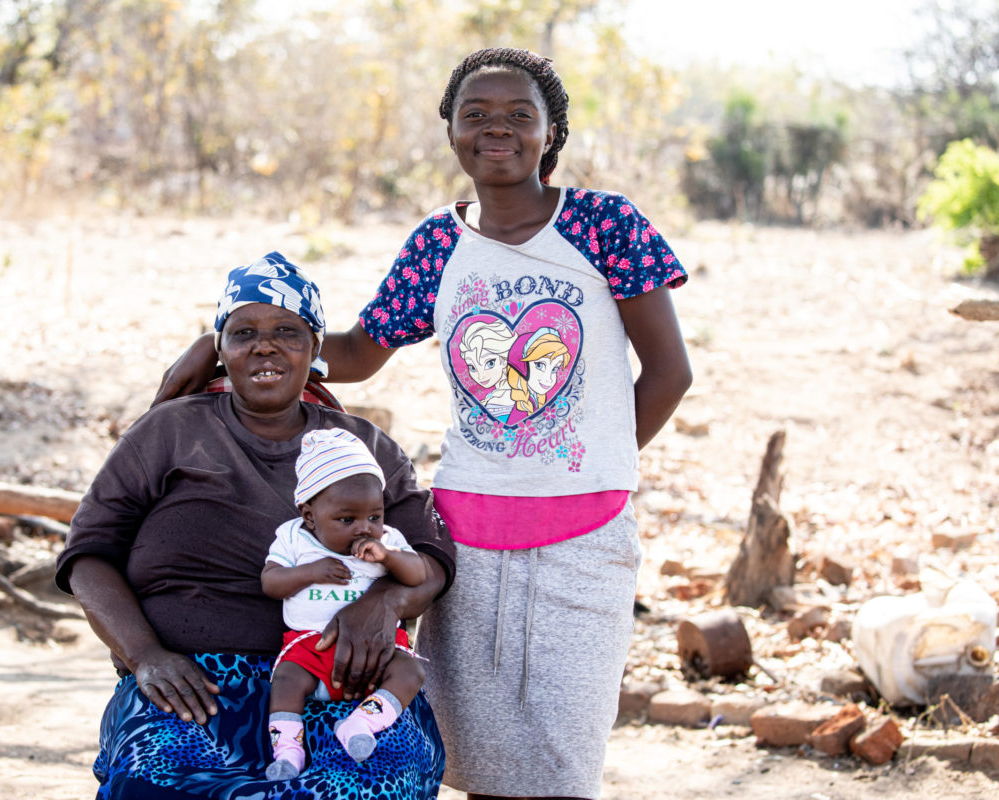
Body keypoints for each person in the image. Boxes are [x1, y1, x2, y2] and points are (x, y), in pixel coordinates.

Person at [156, 47, 692, 800]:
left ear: (551, 132)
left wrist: (589, 469)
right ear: (450, 132)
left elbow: (671, 373)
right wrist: (228, 341)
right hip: (465, 532)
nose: (494, 129)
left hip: (585, 536)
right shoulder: (440, 244)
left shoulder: (604, 226)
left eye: (518, 115)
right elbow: (358, 354)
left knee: (561, 765)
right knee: (466, 756)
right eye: (474, 115)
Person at [57, 252, 455, 799]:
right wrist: (144, 655)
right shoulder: (168, 431)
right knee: (159, 781)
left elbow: (433, 558)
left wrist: (383, 604)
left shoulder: (367, 446)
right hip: (195, 682)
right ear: (220, 350)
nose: (264, 345)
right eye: (243, 332)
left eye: (287, 332)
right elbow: (87, 556)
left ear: (316, 349)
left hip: (343, 685)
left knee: (373, 783)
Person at [262, 427, 429, 780]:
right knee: (286, 681)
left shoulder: (387, 541)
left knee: (411, 671)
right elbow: (271, 582)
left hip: (379, 650)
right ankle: (289, 751)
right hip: (311, 646)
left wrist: (389, 557)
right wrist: (308, 572)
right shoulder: (294, 538)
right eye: (346, 520)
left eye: (374, 516)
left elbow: (418, 575)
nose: (364, 529)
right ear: (310, 516)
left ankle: (361, 723)